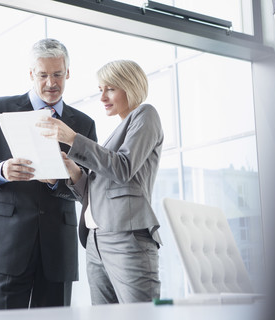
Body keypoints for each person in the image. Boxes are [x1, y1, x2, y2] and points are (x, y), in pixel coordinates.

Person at [0, 38, 97, 309]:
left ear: (68, 72)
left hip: (57, 249)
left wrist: (59, 181)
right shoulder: (0, 109)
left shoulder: (83, 124)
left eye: (58, 74)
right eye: (43, 75)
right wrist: (1, 170)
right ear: (31, 74)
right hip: (6, 247)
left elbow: (91, 188)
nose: (51, 83)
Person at [37, 59, 163, 304]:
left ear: (131, 86)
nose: (103, 97)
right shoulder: (116, 133)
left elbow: (122, 167)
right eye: (100, 90)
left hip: (126, 237)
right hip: (96, 241)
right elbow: (101, 190)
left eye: (111, 89)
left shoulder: (146, 114)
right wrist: (75, 172)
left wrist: (74, 139)